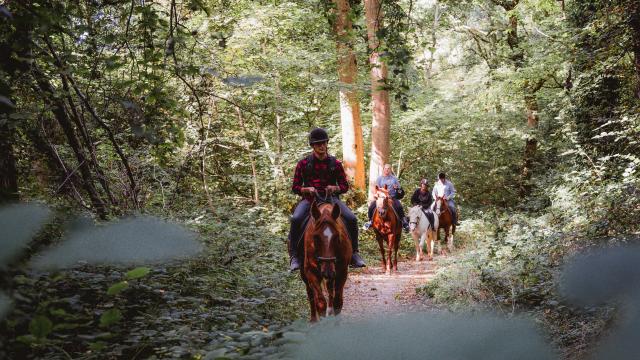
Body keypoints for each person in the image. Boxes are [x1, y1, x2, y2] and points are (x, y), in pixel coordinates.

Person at [288, 128, 366, 271]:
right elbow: (295, 187)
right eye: (318, 144)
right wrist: (306, 189)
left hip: (331, 200)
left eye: (323, 143)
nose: (321, 146)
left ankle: (354, 253)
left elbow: (344, 186)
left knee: (352, 219)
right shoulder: (303, 164)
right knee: (296, 219)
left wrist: (334, 188)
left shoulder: (335, 163)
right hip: (310, 201)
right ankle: (294, 256)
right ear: (313, 146)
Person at [363, 164, 409, 232]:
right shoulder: (379, 179)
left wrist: (397, 188)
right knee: (371, 206)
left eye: (388, 169)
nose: (387, 170)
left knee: (399, 206)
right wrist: (377, 194)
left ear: (390, 170)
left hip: (392, 198)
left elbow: (399, 189)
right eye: (385, 168)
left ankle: (404, 223)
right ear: (383, 169)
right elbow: (377, 189)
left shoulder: (394, 178)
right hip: (381, 198)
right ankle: (370, 221)